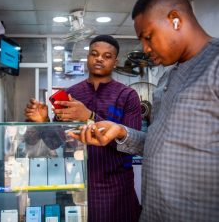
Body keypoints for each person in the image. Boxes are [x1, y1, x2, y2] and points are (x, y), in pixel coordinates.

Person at [69, 0, 219, 222]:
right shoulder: (166, 79)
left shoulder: (215, 65)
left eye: (148, 37)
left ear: (175, 20)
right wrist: (120, 131)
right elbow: (155, 143)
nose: (146, 49)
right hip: (155, 212)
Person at [24, 35, 142, 222]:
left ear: (115, 61)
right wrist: (44, 121)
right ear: (87, 57)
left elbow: (135, 145)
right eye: (94, 54)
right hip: (74, 184)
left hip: (116, 189)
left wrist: (90, 117)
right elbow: (55, 143)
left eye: (107, 56)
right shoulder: (71, 94)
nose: (99, 59)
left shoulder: (127, 96)